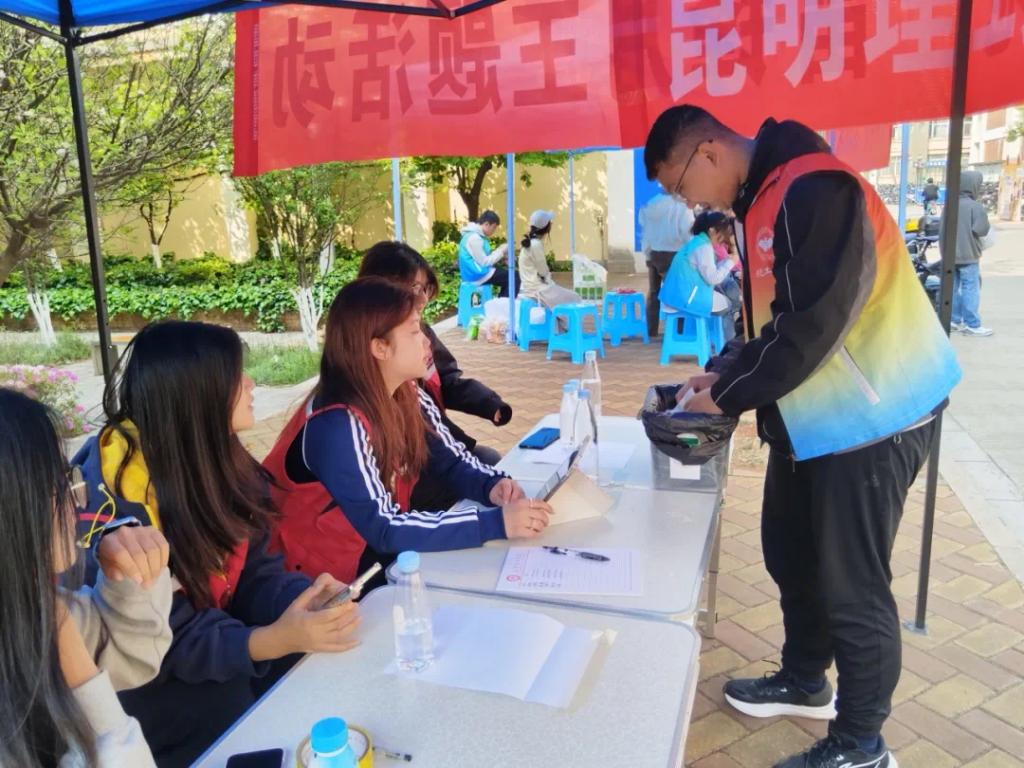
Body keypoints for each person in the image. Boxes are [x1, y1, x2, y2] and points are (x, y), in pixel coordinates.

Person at [644, 106, 960, 768]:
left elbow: (812, 326)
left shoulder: (816, 187)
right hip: (813, 415)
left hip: (875, 413)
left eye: (679, 186)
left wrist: (726, 394)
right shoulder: (760, 200)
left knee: (853, 584)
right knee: (789, 551)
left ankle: (861, 744)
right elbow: (767, 320)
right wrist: (722, 371)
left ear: (707, 153)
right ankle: (804, 678)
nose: (687, 204)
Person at [73, 321, 360, 767]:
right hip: (151, 686)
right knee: (236, 699)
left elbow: (255, 570)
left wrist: (302, 599)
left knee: (313, 663)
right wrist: (271, 640)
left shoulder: (214, 454)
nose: (251, 384)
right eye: (236, 376)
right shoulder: (119, 511)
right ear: (197, 397)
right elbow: (164, 639)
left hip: (214, 642)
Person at [263, 277, 552, 588]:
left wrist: (492, 485)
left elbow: (450, 459)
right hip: (315, 582)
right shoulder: (337, 423)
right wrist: (494, 523)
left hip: (364, 550)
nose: (427, 342)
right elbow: (384, 526)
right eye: (415, 332)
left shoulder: (405, 391)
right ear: (380, 347)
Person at [1, 388, 173, 767]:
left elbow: (138, 657)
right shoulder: (49, 615)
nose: (76, 499)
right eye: (58, 482)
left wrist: (121, 576)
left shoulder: (41, 608)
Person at [358, 240, 514, 509]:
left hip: (431, 449)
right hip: (411, 471)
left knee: (487, 471)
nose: (422, 299)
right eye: (413, 289)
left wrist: (489, 404)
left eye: (425, 289)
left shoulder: (410, 388)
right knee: (483, 471)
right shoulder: (350, 410)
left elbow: (446, 383)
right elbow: (381, 521)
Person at [659, 210, 738, 343]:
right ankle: (729, 345)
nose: (722, 240)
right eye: (722, 235)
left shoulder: (697, 242)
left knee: (726, 295)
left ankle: (720, 341)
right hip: (686, 298)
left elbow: (707, 271)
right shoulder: (704, 247)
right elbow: (713, 278)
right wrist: (731, 262)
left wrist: (726, 262)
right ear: (712, 231)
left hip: (676, 295)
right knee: (729, 306)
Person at [941, 169, 993, 336]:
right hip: (969, 256)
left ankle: (954, 320)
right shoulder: (975, 207)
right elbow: (981, 230)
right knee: (970, 288)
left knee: (952, 288)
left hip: (949, 256)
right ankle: (972, 324)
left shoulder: (949, 205)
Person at [638, 192, 694, 336]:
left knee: (653, 292)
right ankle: (678, 332)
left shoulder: (651, 202)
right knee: (678, 294)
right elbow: (688, 233)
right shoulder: (683, 206)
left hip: (653, 252)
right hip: (675, 254)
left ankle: (651, 330)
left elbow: (645, 230)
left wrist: (647, 252)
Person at [517, 210, 581, 317]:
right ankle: (567, 326)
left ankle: (559, 325)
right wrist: (551, 283)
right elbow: (543, 272)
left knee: (564, 298)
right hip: (538, 290)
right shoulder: (536, 244)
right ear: (547, 227)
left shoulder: (530, 243)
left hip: (530, 287)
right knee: (575, 297)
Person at [459, 209, 518, 297]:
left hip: (476, 272)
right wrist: (501, 250)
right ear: (486, 224)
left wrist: (502, 256)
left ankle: (501, 302)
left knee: (510, 276)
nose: (494, 231)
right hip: (476, 275)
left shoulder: (475, 235)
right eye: (494, 227)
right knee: (514, 278)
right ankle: (503, 304)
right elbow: (484, 262)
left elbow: (484, 257)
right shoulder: (474, 238)